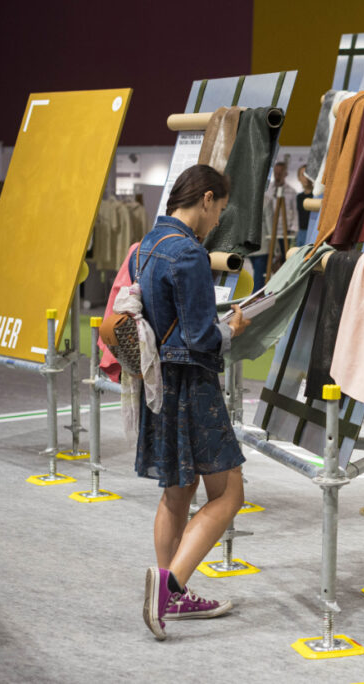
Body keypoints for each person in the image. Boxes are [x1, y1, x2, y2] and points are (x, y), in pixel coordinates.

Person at [133, 164, 251, 641]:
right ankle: (169, 588)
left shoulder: (149, 244)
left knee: (177, 491)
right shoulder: (189, 253)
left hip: (158, 383)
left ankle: (170, 595)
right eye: (219, 209)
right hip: (192, 386)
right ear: (205, 199)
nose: (218, 220)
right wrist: (232, 329)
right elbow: (201, 336)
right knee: (229, 495)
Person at [294, 164, 314, 247]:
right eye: (302, 175)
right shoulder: (299, 197)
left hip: (313, 231)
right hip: (301, 232)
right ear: (299, 177)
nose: (305, 178)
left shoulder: (317, 196)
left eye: (307, 174)